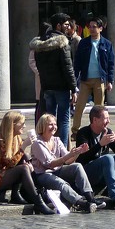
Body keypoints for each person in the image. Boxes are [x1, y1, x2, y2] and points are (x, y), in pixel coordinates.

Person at [0, 111, 55, 215]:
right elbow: (10, 163)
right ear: (13, 124)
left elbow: (17, 158)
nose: (24, 126)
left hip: (4, 174)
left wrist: (28, 162)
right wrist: (24, 146)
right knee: (23, 168)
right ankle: (38, 201)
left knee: (26, 159)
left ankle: (17, 193)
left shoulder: (17, 138)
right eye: (22, 123)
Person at [74, 105, 115, 210]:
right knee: (108, 158)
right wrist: (99, 144)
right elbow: (81, 159)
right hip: (87, 175)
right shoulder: (83, 133)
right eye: (105, 118)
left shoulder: (107, 131)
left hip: (104, 174)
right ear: (95, 120)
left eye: (108, 118)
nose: (108, 121)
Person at [30, 113, 99, 211]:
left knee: (77, 166)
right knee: (60, 183)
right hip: (43, 174)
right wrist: (70, 154)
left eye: (55, 124)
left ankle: (90, 197)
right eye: (50, 124)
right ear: (42, 126)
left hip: (58, 170)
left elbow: (68, 161)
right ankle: (80, 202)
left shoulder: (57, 140)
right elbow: (51, 164)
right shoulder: (38, 144)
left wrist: (78, 152)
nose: (54, 127)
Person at [30, 13, 77, 147]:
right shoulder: (62, 42)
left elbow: (40, 68)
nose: (68, 27)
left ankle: (49, 146)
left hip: (47, 87)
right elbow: (68, 68)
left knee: (49, 119)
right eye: (66, 24)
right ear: (58, 25)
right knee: (63, 119)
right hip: (61, 87)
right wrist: (73, 88)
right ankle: (61, 149)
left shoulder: (40, 44)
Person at [72, 17, 115, 133]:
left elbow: (111, 64)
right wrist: (74, 80)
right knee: (79, 106)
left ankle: (98, 130)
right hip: (85, 79)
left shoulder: (107, 44)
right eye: (89, 27)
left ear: (100, 28)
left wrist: (110, 81)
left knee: (99, 109)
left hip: (99, 80)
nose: (91, 29)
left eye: (94, 27)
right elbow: (77, 62)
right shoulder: (84, 43)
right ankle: (75, 130)